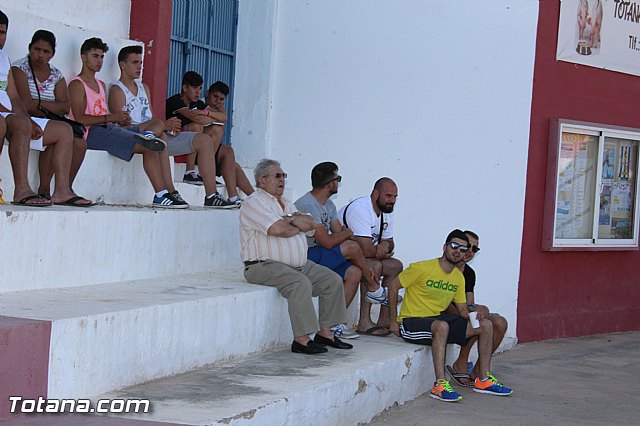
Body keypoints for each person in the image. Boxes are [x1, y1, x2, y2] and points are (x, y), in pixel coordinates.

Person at [240, 158, 352, 355]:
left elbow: (310, 224)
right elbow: (278, 229)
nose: (282, 179)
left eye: (284, 176)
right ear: (262, 180)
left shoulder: (287, 204)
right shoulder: (254, 203)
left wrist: (290, 220)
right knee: (300, 283)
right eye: (277, 176)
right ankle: (301, 340)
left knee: (332, 280)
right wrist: (293, 224)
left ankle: (325, 333)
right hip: (262, 265)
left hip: (297, 264)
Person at [388, 229, 513, 402]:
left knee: (486, 325)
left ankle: (483, 379)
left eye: (463, 249)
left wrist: (474, 315)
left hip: (436, 320)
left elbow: (462, 309)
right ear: (445, 247)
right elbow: (393, 287)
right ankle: (440, 384)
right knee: (442, 325)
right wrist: (393, 321)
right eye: (454, 246)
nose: (458, 251)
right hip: (411, 322)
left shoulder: (458, 278)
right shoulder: (421, 268)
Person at [109, 45, 233, 209]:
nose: (140, 66)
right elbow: (123, 125)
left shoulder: (143, 88)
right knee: (158, 135)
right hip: (136, 136)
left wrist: (165, 126)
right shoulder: (117, 90)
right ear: (122, 65)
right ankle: (170, 191)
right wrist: (161, 126)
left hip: (157, 133)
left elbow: (151, 118)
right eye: (135, 62)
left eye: (141, 62)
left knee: (204, 140)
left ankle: (211, 195)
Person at [68, 37, 187, 208]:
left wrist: (119, 119)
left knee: (157, 130)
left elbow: (103, 115)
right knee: (150, 146)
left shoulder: (100, 84)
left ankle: (168, 191)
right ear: (83, 57)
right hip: (92, 133)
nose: (99, 61)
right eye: (95, 56)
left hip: (108, 128)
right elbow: (79, 118)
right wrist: (111, 117)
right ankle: (161, 194)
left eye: (101, 57)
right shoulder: (77, 84)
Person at [0, 14, 89, 207]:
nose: (41, 54)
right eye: (37, 49)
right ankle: (22, 190)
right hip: (7, 116)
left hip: (13, 114)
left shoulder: (4, 59)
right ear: (29, 48)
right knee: (21, 122)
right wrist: (27, 117)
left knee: (65, 131)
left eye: (3, 32)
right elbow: (24, 102)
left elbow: (14, 98)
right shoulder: (18, 67)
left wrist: (29, 118)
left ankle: (62, 191)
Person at [294, 162, 388, 339]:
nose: (339, 182)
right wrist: (348, 234)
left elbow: (338, 232)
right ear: (330, 183)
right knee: (352, 247)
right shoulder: (308, 205)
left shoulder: (328, 205)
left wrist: (350, 235)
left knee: (354, 272)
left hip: (320, 253)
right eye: (338, 179)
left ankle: (334, 324)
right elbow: (328, 242)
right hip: (306, 255)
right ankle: (374, 287)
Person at [166, 72, 251, 206]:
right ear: (184, 88)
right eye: (194, 88)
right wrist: (208, 117)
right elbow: (198, 119)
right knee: (198, 126)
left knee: (228, 151)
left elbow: (224, 118)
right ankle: (190, 172)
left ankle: (237, 198)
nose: (197, 92)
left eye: (199, 88)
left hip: (195, 145)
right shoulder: (176, 101)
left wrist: (207, 113)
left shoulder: (198, 104)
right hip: (174, 141)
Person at [338, 178, 403, 336]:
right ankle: (364, 322)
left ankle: (384, 319)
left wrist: (385, 246)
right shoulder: (361, 209)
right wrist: (380, 249)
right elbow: (365, 251)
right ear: (375, 194)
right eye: (388, 196)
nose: (392, 201)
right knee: (374, 265)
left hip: (364, 255)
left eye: (395, 197)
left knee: (396, 266)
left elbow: (390, 242)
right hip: (342, 254)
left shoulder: (387, 212)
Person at [445, 230, 509, 387]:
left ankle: (479, 370)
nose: (470, 252)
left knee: (500, 322)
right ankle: (461, 362)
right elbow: (443, 304)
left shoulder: (469, 273)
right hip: (444, 314)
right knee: (477, 320)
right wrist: (472, 311)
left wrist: (478, 310)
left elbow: (469, 303)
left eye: (475, 249)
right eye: (468, 246)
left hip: (460, 312)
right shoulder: (446, 267)